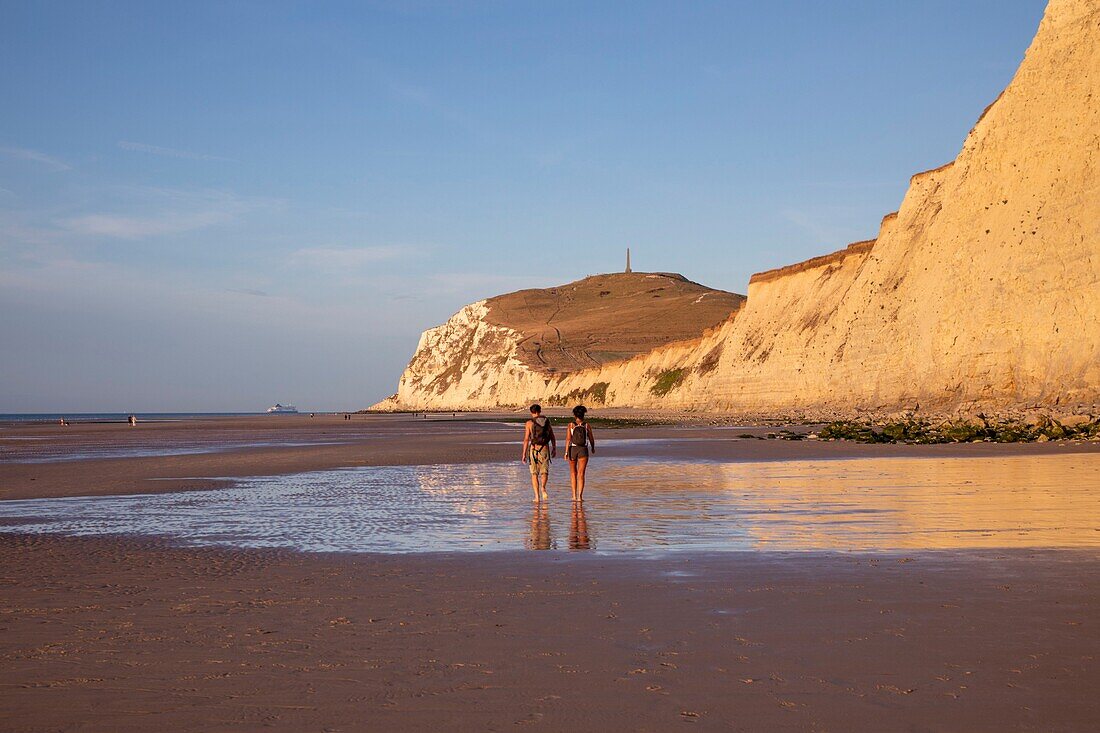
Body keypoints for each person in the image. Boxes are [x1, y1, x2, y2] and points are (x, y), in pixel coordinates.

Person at [521, 403, 556, 502]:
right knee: (544, 471)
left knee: (534, 474)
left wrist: (524, 454)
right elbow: (552, 436)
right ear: (539, 411)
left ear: (532, 412)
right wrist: (554, 448)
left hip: (534, 449)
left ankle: (537, 497)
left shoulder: (529, 423)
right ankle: (543, 488)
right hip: (544, 448)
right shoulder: (546, 421)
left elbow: (526, 439)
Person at [566, 405, 595, 502]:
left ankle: (573, 495)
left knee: (573, 473)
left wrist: (566, 452)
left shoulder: (571, 425)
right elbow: (591, 438)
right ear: (583, 415)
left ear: (574, 415)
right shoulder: (587, 425)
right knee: (581, 474)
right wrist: (593, 448)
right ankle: (580, 497)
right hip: (583, 450)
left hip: (572, 450)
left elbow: (568, 439)